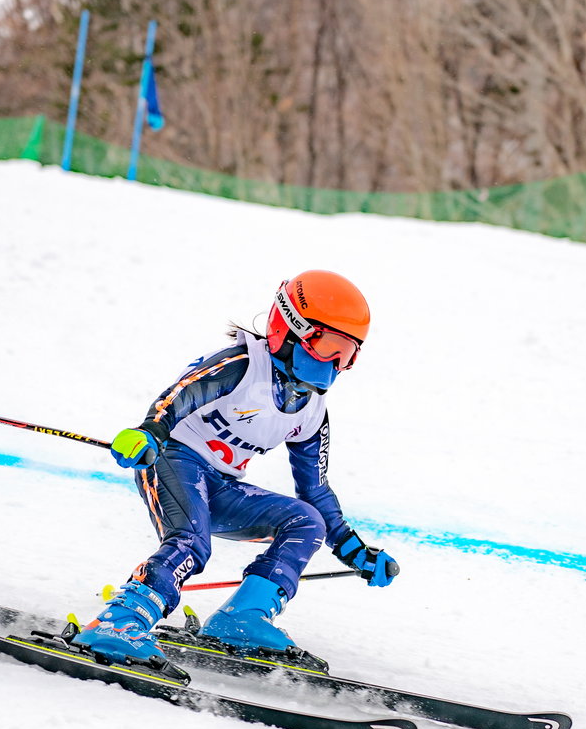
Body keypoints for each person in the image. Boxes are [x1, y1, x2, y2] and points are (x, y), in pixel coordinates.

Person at [73, 270, 398, 672]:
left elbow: (315, 489)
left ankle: (242, 620)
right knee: (191, 541)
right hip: (172, 458)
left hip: (221, 484)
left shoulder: (312, 410)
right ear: (291, 328)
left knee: (306, 521)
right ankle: (118, 624)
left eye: (348, 354)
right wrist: (150, 432)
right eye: (330, 345)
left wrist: (352, 549)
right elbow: (177, 397)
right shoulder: (243, 366)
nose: (336, 365)